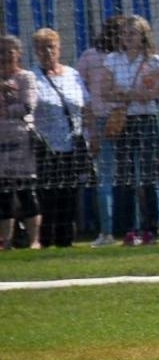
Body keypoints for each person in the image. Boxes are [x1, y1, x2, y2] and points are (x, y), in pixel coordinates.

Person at [104, 14, 159, 245]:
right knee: (125, 175)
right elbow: (106, 91)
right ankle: (127, 229)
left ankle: (151, 227)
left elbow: (151, 94)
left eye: (132, 33)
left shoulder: (154, 62)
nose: (127, 37)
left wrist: (126, 94)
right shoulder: (112, 59)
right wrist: (131, 95)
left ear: (143, 36)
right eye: (124, 33)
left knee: (149, 175)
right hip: (124, 120)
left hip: (146, 119)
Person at [30, 29, 92, 248]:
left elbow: (85, 106)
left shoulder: (73, 75)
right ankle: (46, 240)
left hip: (73, 146)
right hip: (47, 148)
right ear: (36, 51)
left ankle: (66, 241)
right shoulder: (33, 77)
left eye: (51, 47)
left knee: (70, 196)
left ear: (59, 49)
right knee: (48, 196)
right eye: (42, 48)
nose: (47, 52)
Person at [78, 18, 122, 247]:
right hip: (106, 120)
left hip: (126, 119)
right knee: (105, 177)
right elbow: (82, 94)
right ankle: (106, 231)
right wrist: (91, 128)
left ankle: (129, 228)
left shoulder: (126, 58)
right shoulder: (91, 57)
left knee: (135, 177)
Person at [0, 35, 41, 249]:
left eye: (10, 51)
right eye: (2, 51)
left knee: (26, 190)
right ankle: (5, 241)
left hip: (21, 141)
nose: (5, 56)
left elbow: (28, 106)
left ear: (19, 53)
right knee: (4, 193)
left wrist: (7, 105)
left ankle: (34, 240)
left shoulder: (26, 77)